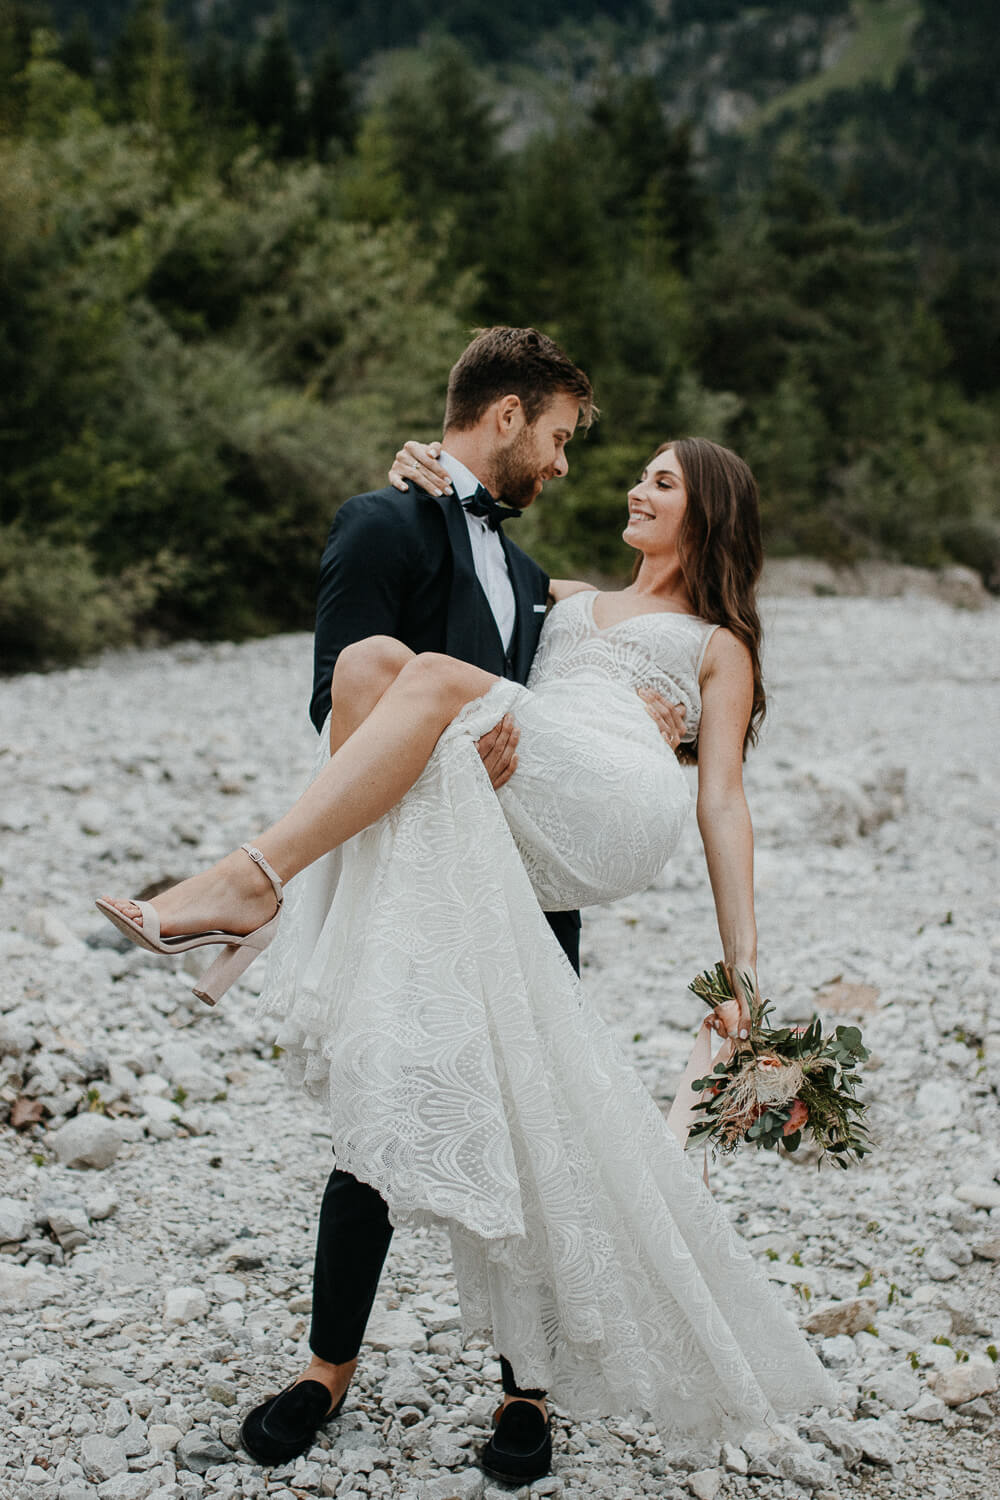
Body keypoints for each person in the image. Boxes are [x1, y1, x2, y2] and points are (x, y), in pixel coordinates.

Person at [98, 417, 838, 1478]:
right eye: (633, 471)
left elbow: (720, 799)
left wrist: (743, 972)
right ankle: (325, 1368)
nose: (631, 487)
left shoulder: (720, 644)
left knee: (529, 1110)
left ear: (707, 509)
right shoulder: (560, 596)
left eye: (660, 481)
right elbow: (460, 598)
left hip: (614, 805)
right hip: (501, 822)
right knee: (371, 664)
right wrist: (426, 481)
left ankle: (252, 884)